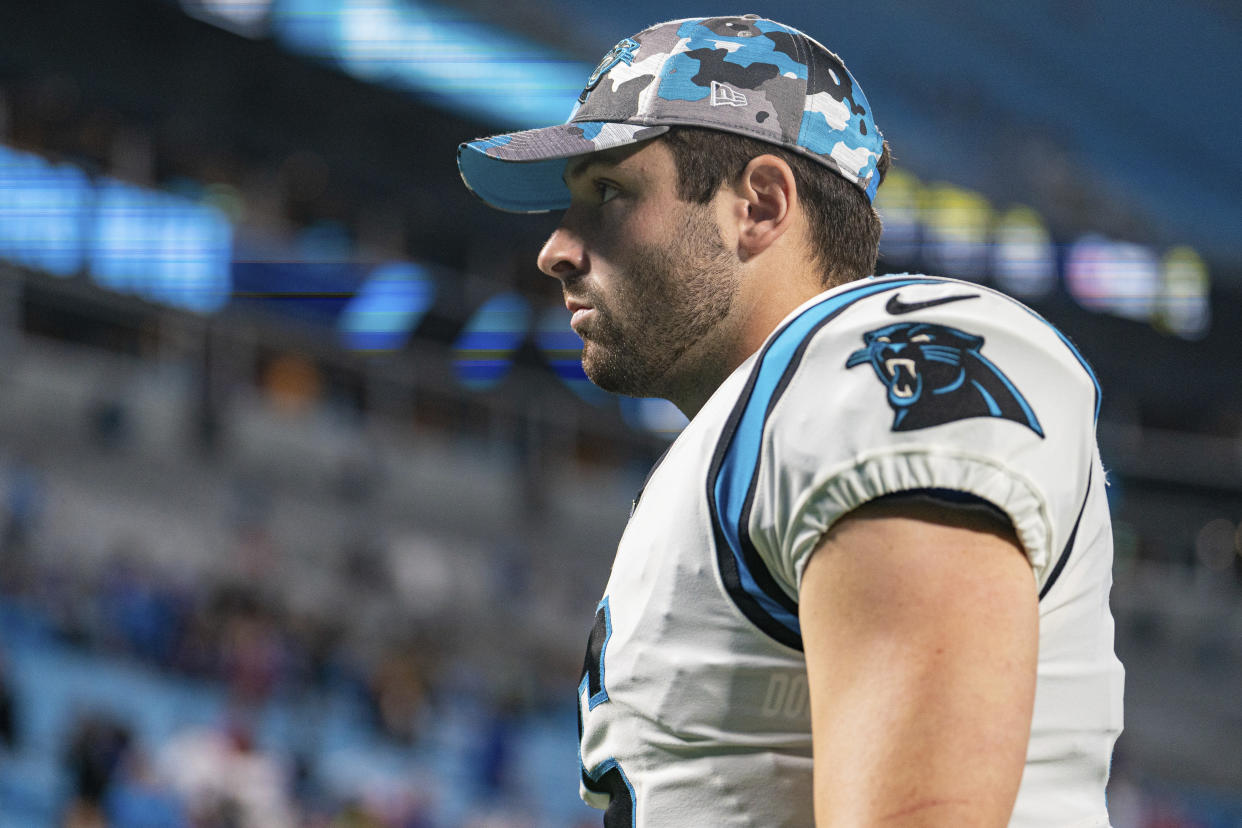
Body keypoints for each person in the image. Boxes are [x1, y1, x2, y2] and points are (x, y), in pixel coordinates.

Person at [458, 14, 1124, 827]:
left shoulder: (875, 358)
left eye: (609, 194)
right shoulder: (753, 426)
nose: (555, 249)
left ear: (761, 206)